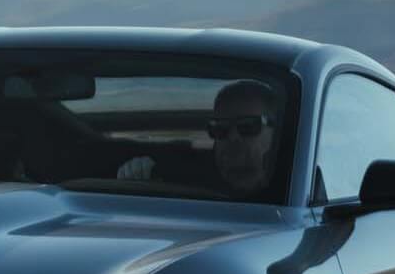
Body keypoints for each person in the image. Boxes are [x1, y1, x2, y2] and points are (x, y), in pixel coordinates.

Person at [115, 79, 281, 198]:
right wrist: (137, 176)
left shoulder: (299, 183)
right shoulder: (188, 187)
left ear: (277, 131)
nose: (233, 138)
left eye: (248, 126)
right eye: (220, 129)